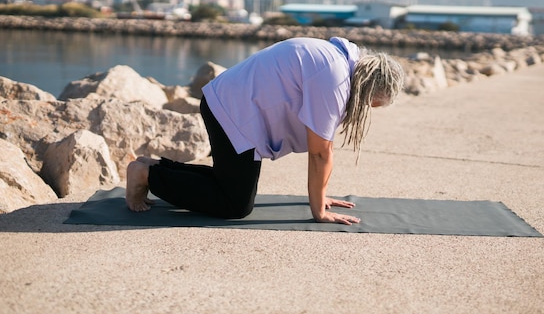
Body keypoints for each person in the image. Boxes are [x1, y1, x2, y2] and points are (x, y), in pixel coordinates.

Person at [126, 36, 404, 225]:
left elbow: (323, 147)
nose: (364, 108)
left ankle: (155, 167)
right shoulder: (334, 78)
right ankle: (146, 175)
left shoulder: (339, 62)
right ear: (368, 86)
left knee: (230, 183)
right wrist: (318, 210)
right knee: (234, 205)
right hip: (232, 112)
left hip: (230, 104)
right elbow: (321, 152)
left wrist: (322, 193)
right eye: (370, 103)